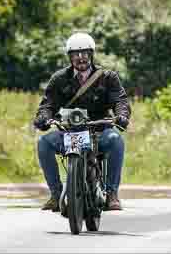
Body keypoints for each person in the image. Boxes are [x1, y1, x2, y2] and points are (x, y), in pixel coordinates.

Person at [32, 32, 130, 212]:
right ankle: (55, 194)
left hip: (99, 132)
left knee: (116, 140)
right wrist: (43, 118)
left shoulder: (108, 77)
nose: (80, 58)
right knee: (43, 143)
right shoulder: (59, 79)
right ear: (69, 57)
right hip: (68, 132)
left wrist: (121, 115)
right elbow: (48, 104)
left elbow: (120, 101)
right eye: (75, 54)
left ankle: (111, 194)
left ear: (91, 54)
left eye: (84, 53)